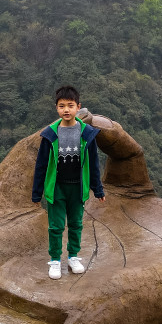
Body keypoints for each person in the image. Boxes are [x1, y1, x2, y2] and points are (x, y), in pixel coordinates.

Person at [32, 85, 106, 279]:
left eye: (70, 105)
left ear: (78, 107)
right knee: (55, 226)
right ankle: (55, 260)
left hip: (77, 187)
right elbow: (41, 165)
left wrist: (98, 190)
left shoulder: (87, 133)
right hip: (57, 187)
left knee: (75, 224)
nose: (66, 110)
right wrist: (36, 193)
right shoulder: (50, 134)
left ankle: (73, 256)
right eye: (61, 106)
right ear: (56, 108)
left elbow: (93, 164)